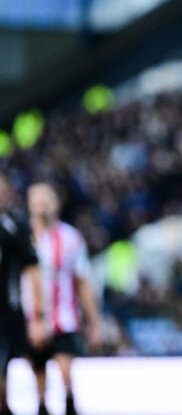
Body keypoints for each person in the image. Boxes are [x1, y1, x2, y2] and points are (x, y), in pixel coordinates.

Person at [24, 182, 103, 415]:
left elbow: (83, 281)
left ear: (56, 204)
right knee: (38, 372)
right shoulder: (21, 237)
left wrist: (94, 321)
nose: (41, 207)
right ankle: (42, 407)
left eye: (46, 201)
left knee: (65, 368)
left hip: (64, 317)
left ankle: (69, 403)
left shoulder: (71, 238)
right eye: (36, 201)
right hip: (30, 318)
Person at [0, 176, 47, 415]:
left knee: (30, 360)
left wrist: (38, 314)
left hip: (8, 314)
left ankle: (40, 404)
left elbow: (33, 270)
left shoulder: (13, 227)